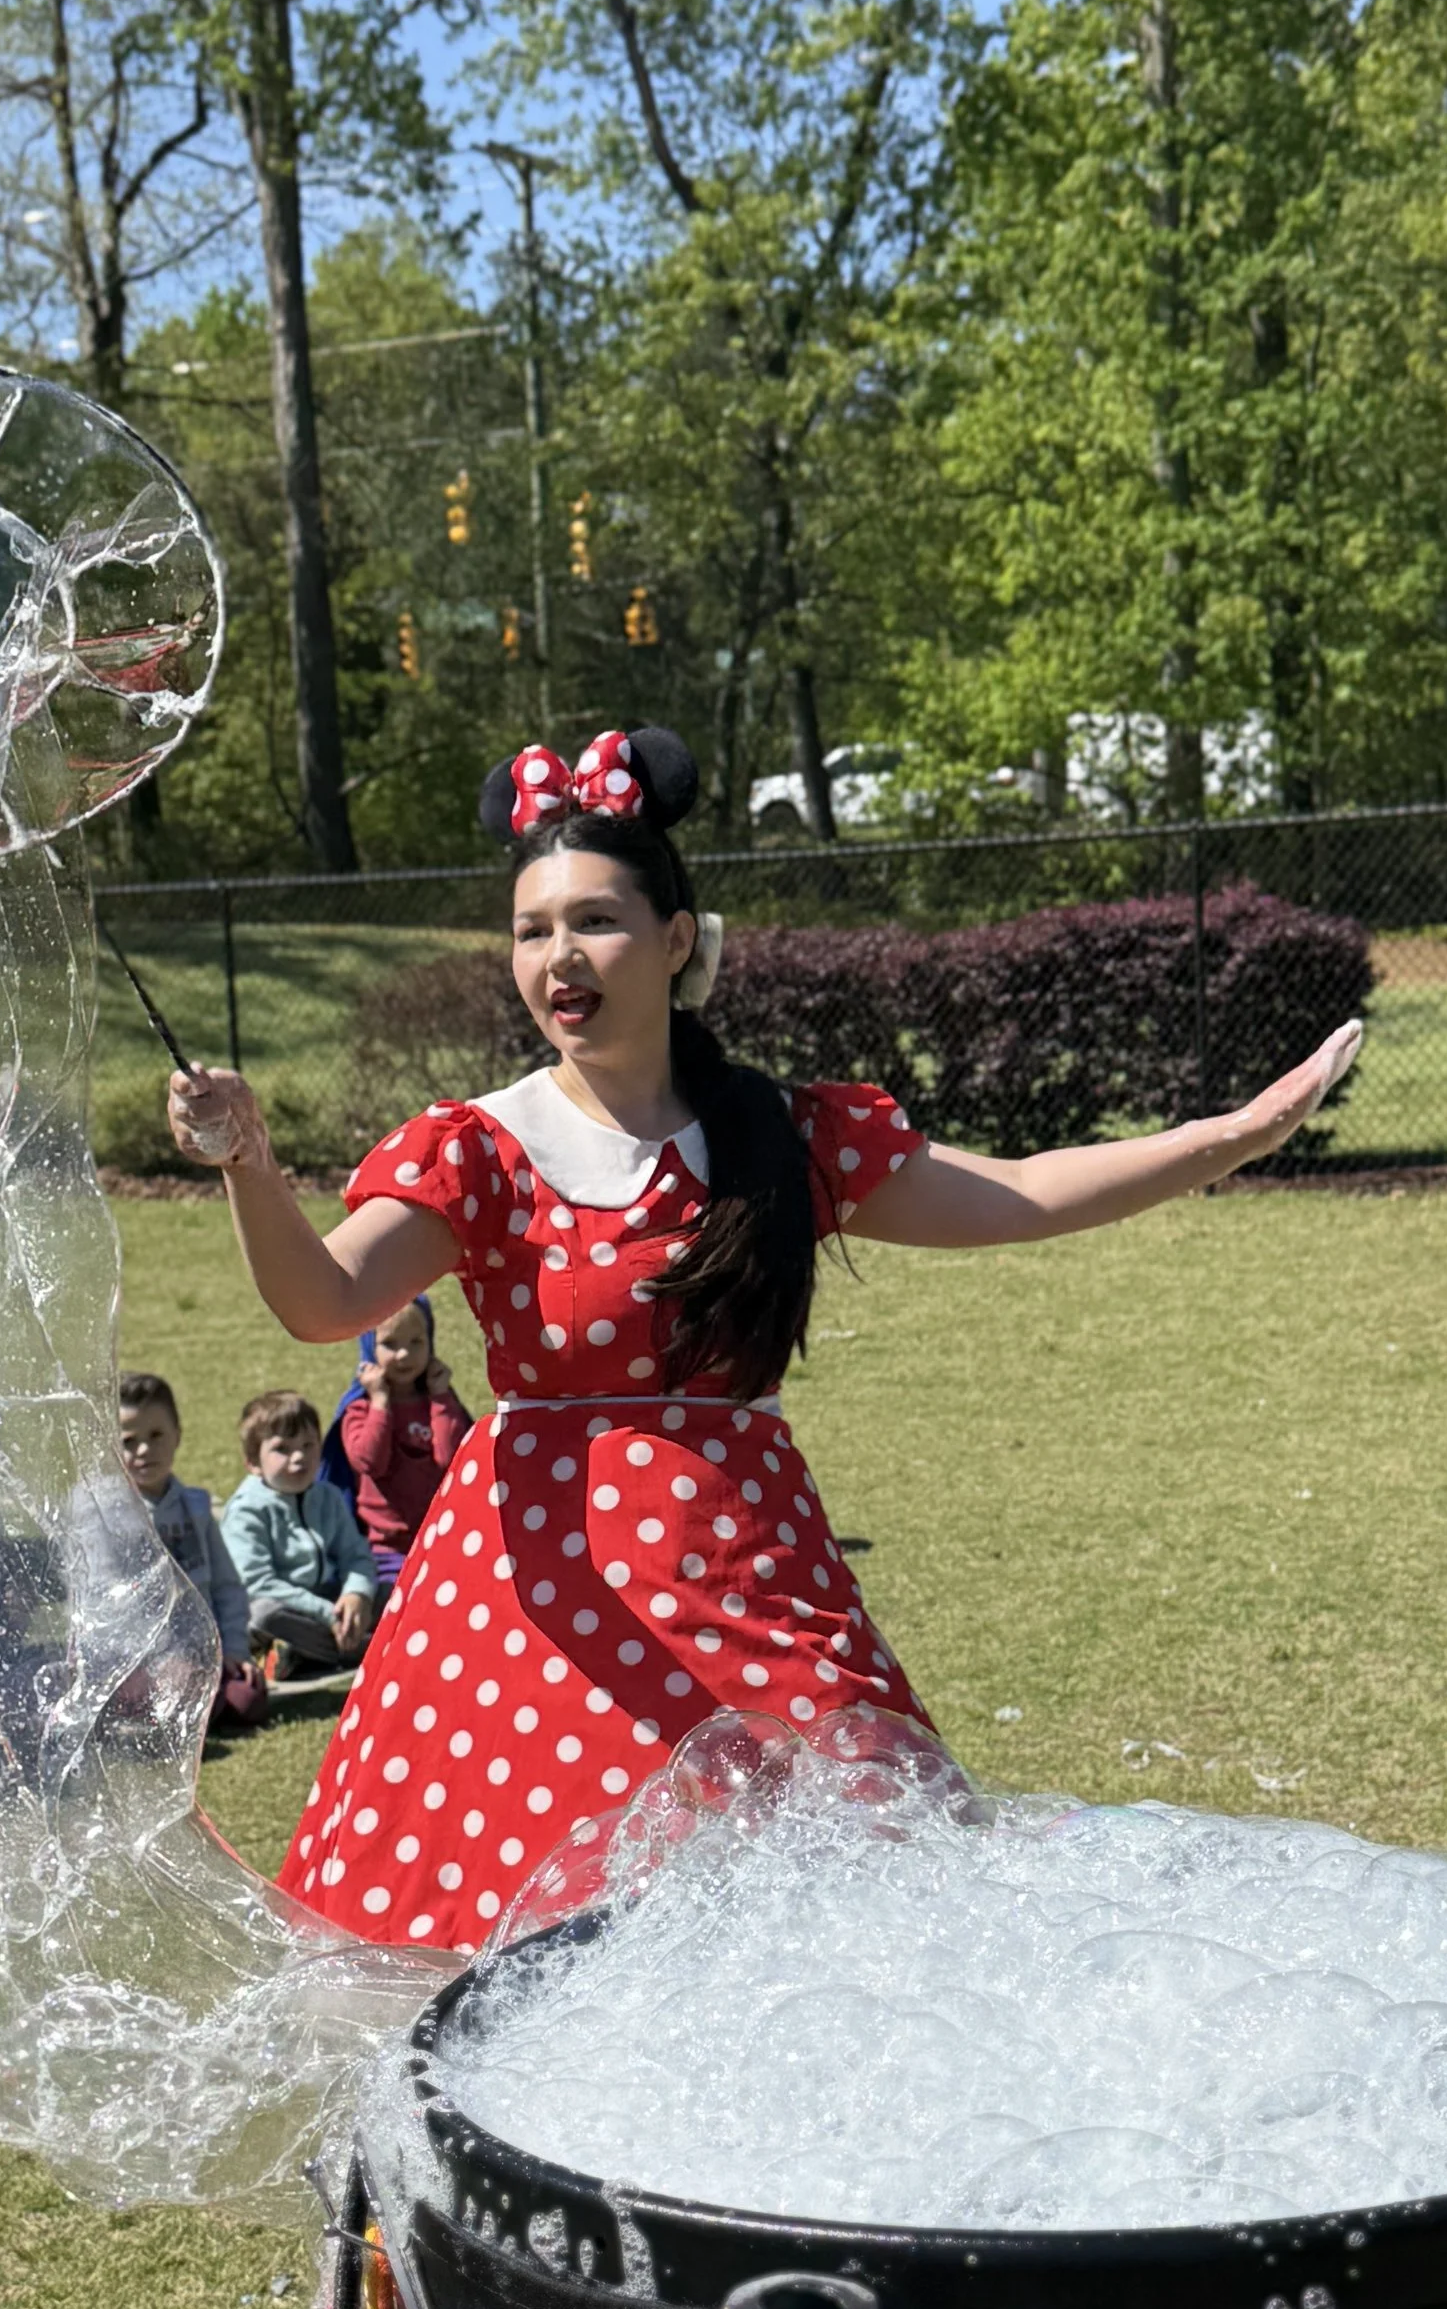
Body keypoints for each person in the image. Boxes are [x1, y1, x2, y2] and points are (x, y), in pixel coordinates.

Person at [165, 725, 1358, 1951]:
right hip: (535, 1611)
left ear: (676, 941)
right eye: (532, 930)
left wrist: (1230, 1136)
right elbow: (322, 1303)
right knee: (502, 1949)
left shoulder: (774, 1136)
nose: (559, 958)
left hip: (746, 1579)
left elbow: (1024, 1192)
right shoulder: (479, 1147)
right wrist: (249, 1162)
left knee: (857, 1904)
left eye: (595, 921)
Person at [115, 1370, 266, 1730]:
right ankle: (157, 1716)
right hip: (140, 1665)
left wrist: (235, 1651)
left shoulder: (197, 1509)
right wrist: (157, 1663)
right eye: (129, 1440)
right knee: (166, 1701)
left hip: (204, 1659)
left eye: (155, 1435)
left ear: (177, 1436)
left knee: (250, 1699)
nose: (144, 1450)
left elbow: (228, 1587)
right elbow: (112, 1612)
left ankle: (192, 1709)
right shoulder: (109, 1519)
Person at [221, 1392, 379, 1678]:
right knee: (263, 1616)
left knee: (392, 1592)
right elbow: (256, 1583)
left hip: (328, 1597)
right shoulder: (247, 1511)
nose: (299, 1457)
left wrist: (357, 1595)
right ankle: (368, 1649)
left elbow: (356, 1554)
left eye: (308, 1445)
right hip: (283, 1606)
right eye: (282, 1449)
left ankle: (304, 1653)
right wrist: (328, 1613)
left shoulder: (327, 1496)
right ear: (253, 1462)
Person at [329, 1299, 473, 1586]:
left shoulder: (440, 1403)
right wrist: (380, 1403)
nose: (404, 1354)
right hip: (384, 1549)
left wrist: (441, 1398)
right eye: (390, 1344)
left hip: (440, 1538)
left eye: (416, 1342)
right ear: (370, 1347)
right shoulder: (360, 1409)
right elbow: (370, 1461)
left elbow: (451, 1462)